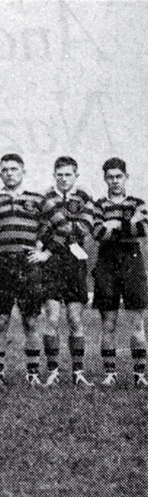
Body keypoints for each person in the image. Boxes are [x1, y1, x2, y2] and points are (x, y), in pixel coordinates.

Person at [0, 154, 71, 387]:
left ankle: (32, 373)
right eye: (5, 169)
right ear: (0, 173)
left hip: (28, 265)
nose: (10, 173)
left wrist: (45, 253)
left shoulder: (38, 199)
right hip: (3, 266)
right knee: (1, 321)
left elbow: (63, 226)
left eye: (14, 169)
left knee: (31, 321)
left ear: (24, 172)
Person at [92, 158, 148, 388]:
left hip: (132, 260)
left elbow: (143, 229)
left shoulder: (138, 202)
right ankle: (110, 373)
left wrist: (113, 225)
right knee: (108, 322)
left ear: (126, 177)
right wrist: (126, 224)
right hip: (106, 261)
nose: (115, 181)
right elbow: (97, 232)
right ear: (105, 178)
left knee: (137, 322)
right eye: (110, 177)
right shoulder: (98, 204)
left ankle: (140, 375)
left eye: (119, 176)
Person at [40, 157, 96, 387]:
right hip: (52, 261)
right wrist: (64, 229)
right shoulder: (46, 198)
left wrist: (60, 228)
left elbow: (85, 228)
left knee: (74, 318)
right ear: (54, 175)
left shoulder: (85, 198)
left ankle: (78, 373)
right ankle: (52, 372)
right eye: (59, 174)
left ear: (76, 176)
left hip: (75, 261)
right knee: (52, 318)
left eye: (68, 175)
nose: (63, 179)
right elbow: (42, 229)